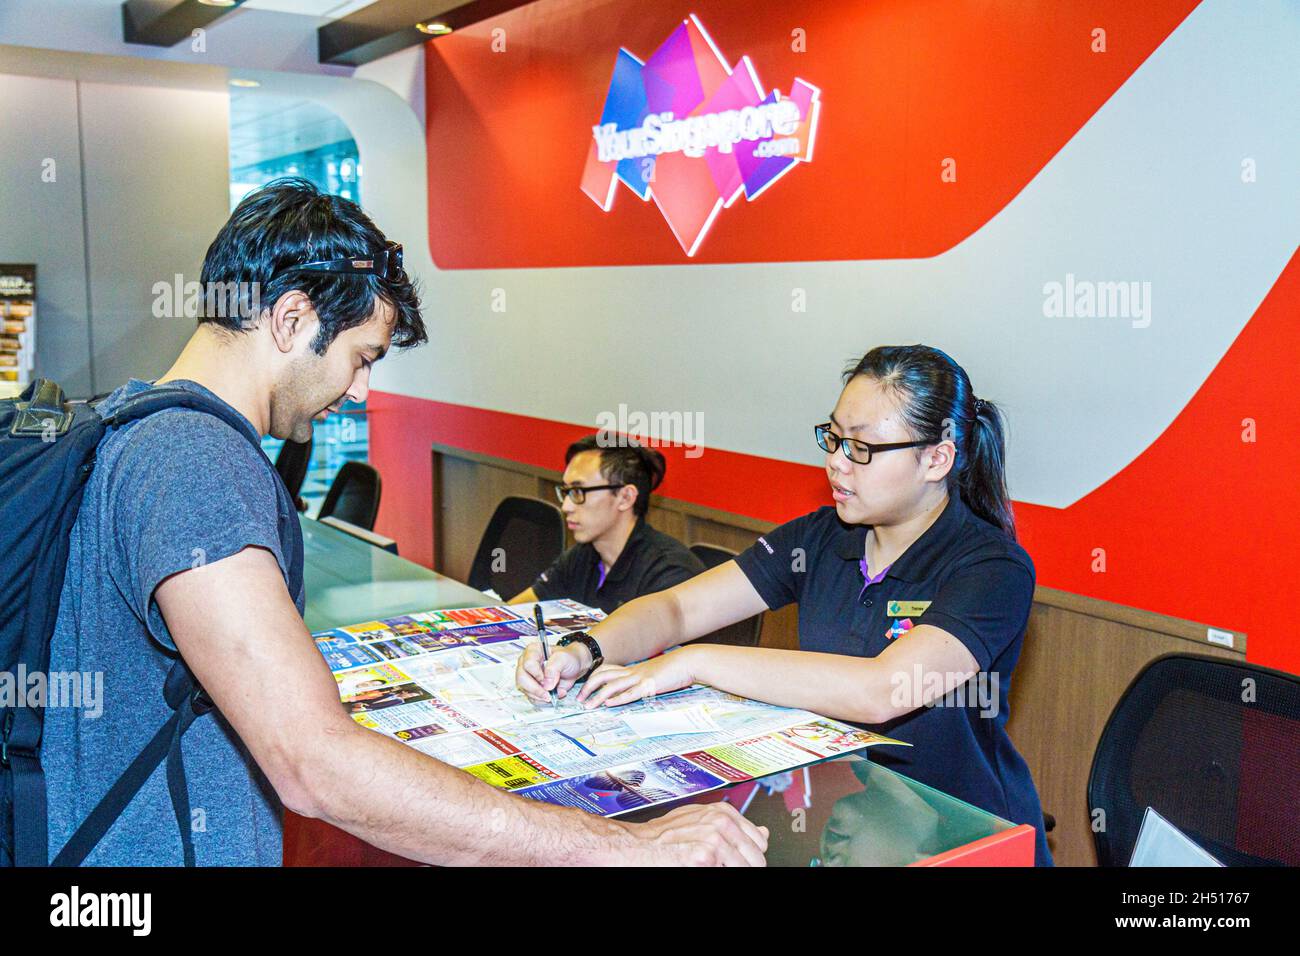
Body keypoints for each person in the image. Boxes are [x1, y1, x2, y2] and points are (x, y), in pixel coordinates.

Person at [45, 178, 767, 866]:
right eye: (362, 358)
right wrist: (627, 846)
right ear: (292, 318)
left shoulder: (138, 424)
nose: (359, 391)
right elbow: (314, 763)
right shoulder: (192, 459)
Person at [517, 344, 1053, 865]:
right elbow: (679, 610)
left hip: (960, 831)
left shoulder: (990, 568)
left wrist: (694, 662)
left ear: (936, 459)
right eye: (834, 439)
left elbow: (883, 690)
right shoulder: (820, 539)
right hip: (854, 805)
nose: (837, 464)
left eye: (862, 449)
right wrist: (584, 647)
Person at [509, 436, 704, 614]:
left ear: (625, 497)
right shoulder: (583, 555)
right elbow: (515, 611)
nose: (566, 506)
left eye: (578, 491)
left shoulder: (668, 574)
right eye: (566, 492)